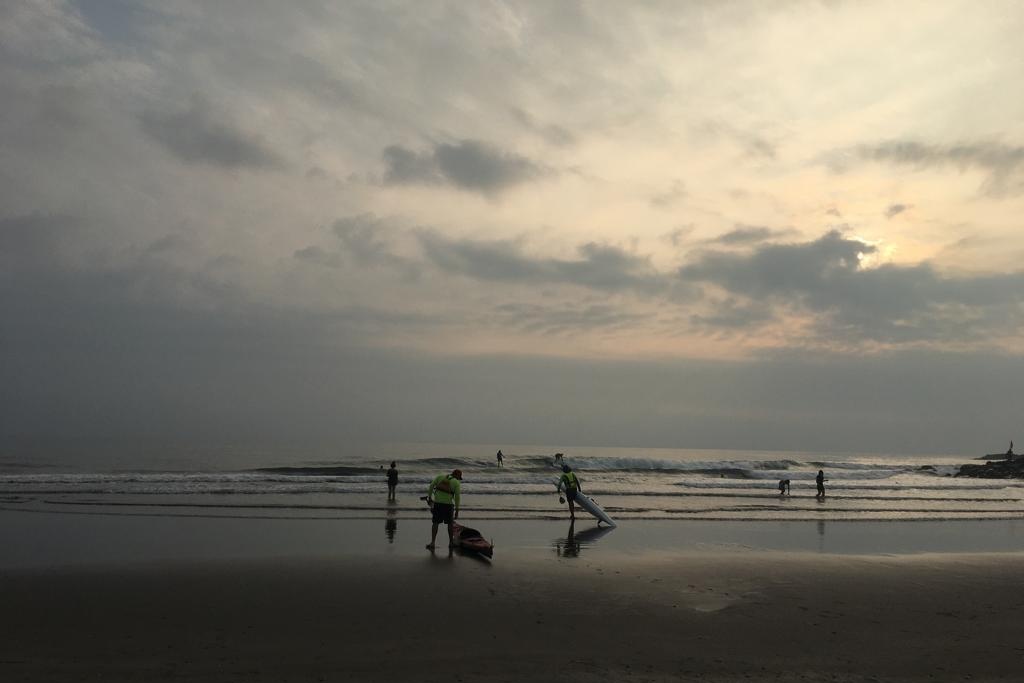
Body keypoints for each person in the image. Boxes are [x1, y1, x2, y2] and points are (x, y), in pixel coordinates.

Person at [426, 469, 462, 550]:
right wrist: (457, 510)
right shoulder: (456, 482)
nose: (459, 479)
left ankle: (432, 543)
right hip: (448, 506)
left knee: (435, 523)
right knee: (450, 524)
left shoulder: (440, 476)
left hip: (438, 504)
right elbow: (457, 497)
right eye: (459, 477)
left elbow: (431, 485)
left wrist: (429, 497)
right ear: (457, 476)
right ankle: (450, 543)